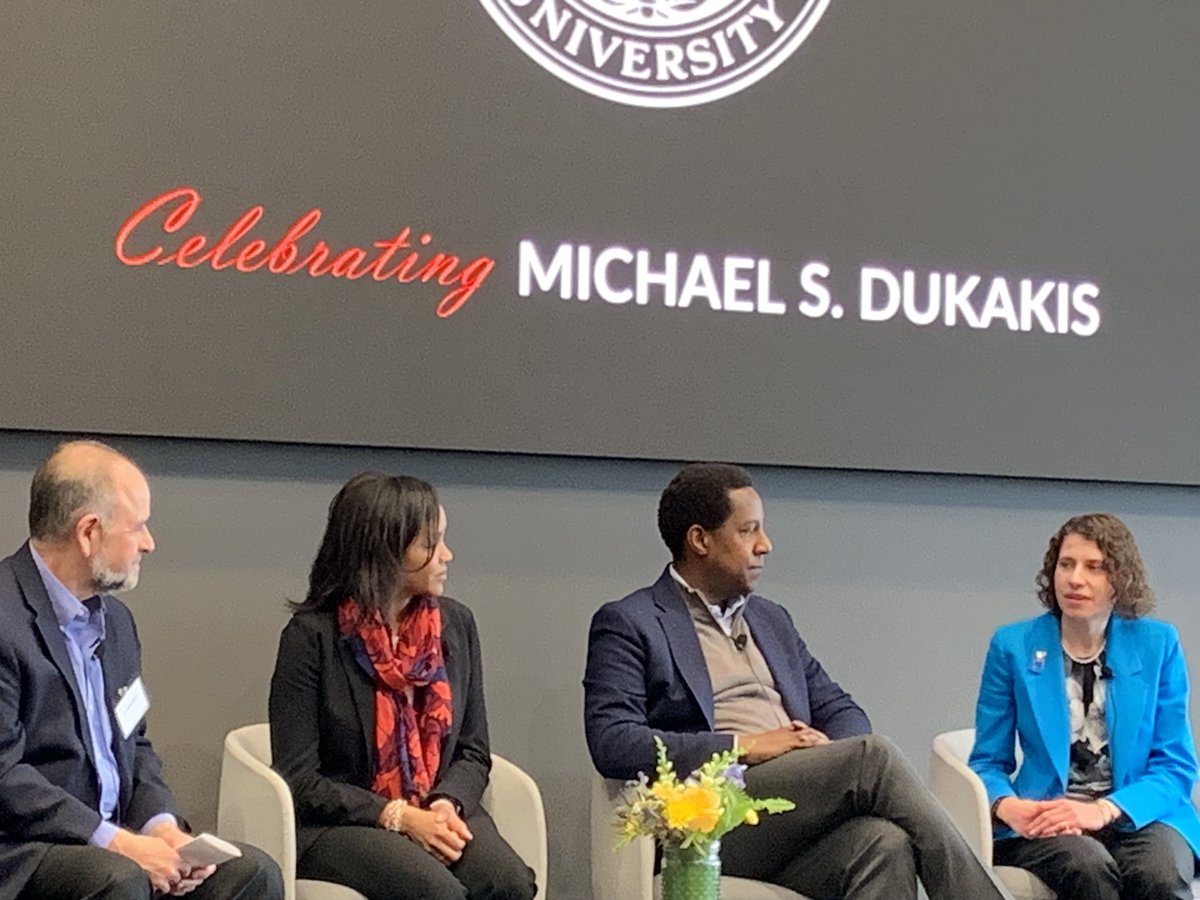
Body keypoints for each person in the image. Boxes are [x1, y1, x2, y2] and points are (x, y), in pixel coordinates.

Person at [584, 462, 1014, 900]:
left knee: (884, 843)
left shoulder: (771, 620)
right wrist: (744, 746)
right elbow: (613, 741)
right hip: (713, 818)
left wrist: (825, 754)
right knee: (874, 757)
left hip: (794, 813)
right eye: (748, 531)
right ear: (700, 540)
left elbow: (842, 710)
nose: (765, 545)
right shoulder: (631, 622)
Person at [0, 440, 284, 900]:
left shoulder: (117, 624)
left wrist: (163, 828)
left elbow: (136, 744)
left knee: (250, 872)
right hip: (27, 851)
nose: (149, 544)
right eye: (138, 527)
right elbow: (5, 776)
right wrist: (117, 843)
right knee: (118, 880)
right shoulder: (5, 618)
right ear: (89, 532)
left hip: (115, 845)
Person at [268, 472, 536, 900]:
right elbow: (300, 779)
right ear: (384, 551)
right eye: (430, 544)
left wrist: (445, 803)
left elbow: (472, 750)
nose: (447, 554)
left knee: (509, 883)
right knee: (437, 893)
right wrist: (399, 816)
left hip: (436, 803)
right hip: (343, 823)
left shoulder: (456, 625)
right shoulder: (311, 637)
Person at [969, 513, 1200, 899]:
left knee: (1156, 875)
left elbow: (1174, 767)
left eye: (1094, 567)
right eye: (1066, 564)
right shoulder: (1013, 646)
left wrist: (1103, 810)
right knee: (1089, 869)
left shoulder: (1158, 644)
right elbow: (987, 762)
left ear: (1119, 581)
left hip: (1140, 815)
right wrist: (1007, 806)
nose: (1075, 579)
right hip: (1051, 818)